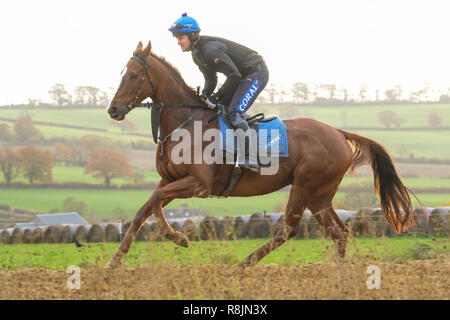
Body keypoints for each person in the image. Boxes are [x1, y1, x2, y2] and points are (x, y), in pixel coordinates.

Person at [169, 13, 269, 172]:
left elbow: (234, 75)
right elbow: (211, 79)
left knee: (234, 112)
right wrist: (205, 96)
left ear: (192, 35)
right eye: (177, 38)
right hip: (241, 77)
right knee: (222, 108)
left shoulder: (210, 50)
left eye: (180, 38)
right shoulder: (197, 54)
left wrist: (215, 97)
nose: (178, 42)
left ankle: (250, 157)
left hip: (256, 73)